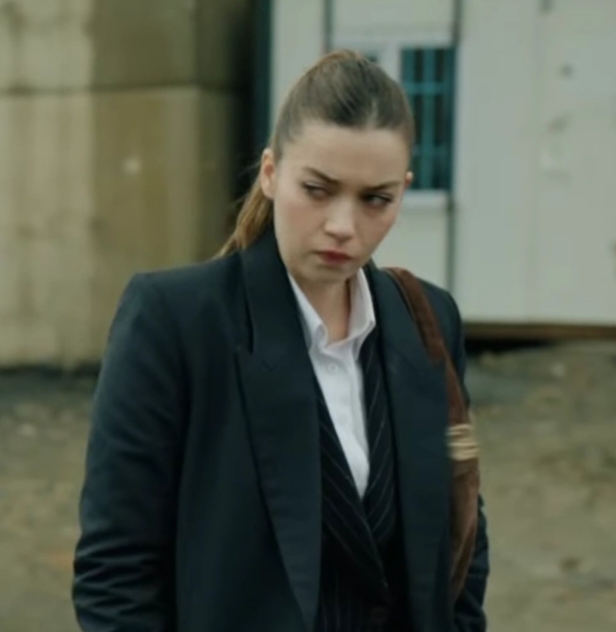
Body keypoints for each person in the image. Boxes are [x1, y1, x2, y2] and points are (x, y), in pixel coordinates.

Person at [72, 50, 489, 632]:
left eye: (375, 198)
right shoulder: (176, 322)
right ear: (270, 172)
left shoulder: (427, 320)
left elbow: (462, 538)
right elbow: (115, 572)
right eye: (317, 189)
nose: (342, 225)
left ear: (403, 191)